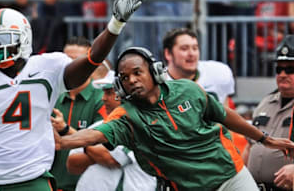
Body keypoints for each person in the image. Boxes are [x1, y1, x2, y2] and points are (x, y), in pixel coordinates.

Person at [0, 0, 145, 190]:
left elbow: (92, 59)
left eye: (5, 41)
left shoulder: (47, 68)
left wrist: (115, 25)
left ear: (23, 39)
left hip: (35, 178)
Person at [55, 46, 294, 191]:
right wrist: (64, 141)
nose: (132, 80)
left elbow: (224, 115)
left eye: (137, 72)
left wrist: (265, 139)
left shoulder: (188, 90)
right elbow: (97, 134)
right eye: (125, 78)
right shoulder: (127, 115)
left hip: (231, 176)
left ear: (155, 72)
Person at [64, 70, 156, 191]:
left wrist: (83, 143)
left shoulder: (141, 125)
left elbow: (111, 159)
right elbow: (72, 165)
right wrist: (96, 153)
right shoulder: (98, 125)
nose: (103, 98)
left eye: (109, 93)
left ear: (126, 94)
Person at [162, 27, 249, 153]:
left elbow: (227, 113)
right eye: (184, 48)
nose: (191, 53)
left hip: (216, 150)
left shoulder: (218, 72)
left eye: (195, 48)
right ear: (168, 54)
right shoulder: (157, 85)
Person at [50, 36, 108, 191]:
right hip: (52, 184)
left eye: (77, 60)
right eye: (67, 60)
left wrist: (65, 129)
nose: (72, 66)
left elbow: (102, 146)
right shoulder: (52, 96)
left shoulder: (103, 98)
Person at [244, 35, 294, 191]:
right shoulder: (266, 101)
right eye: (279, 69)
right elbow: (249, 146)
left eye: (290, 69)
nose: (283, 74)